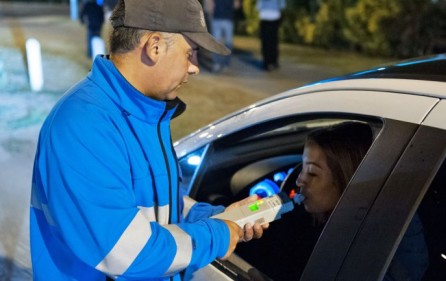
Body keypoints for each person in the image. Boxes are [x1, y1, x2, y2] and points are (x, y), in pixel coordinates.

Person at [30, 0, 268, 280]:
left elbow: (153, 200)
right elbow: (124, 250)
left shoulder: (142, 110)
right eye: (191, 53)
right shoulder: (83, 124)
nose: (195, 68)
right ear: (154, 46)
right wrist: (215, 235)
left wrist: (213, 216)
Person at [295, 122, 428, 281]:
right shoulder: (344, 222)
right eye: (302, 168)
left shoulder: (391, 233)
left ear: (346, 177)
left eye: (312, 172)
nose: (299, 180)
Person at [204, 0, 241, 72]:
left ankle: (225, 64)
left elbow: (236, 5)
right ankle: (217, 63)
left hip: (228, 19)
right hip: (217, 19)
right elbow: (209, 2)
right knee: (217, 43)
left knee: (228, 44)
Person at [256, 0, 286, 71]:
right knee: (273, 40)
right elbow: (282, 4)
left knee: (265, 41)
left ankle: (267, 62)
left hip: (264, 15)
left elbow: (258, 4)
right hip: (274, 15)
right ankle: (273, 61)